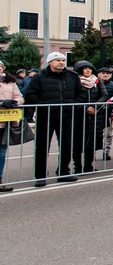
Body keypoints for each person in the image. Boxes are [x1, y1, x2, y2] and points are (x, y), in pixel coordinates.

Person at [26, 52, 86, 186]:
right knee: (42, 147)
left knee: (66, 145)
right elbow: (30, 94)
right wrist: (42, 106)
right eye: (58, 60)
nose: (61, 62)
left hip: (66, 116)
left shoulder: (72, 77)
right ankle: (40, 175)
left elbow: (81, 93)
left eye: (63, 60)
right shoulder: (39, 77)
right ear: (50, 63)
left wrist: (73, 106)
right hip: (45, 117)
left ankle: (63, 172)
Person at [72, 60, 109, 173]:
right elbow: (72, 97)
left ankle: (88, 165)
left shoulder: (97, 82)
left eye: (90, 68)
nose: (88, 70)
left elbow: (104, 95)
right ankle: (77, 165)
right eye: (85, 68)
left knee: (91, 141)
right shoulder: (75, 81)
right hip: (79, 115)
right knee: (77, 141)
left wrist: (94, 106)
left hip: (94, 116)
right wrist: (85, 107)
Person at [0, 60, 25, 192]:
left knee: (1, 153)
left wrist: (15, 102)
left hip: (5, 122)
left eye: (0, 66)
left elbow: (20, 97)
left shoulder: (10, 81)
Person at [97, 67, 113, 161]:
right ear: (98, 74)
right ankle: (91, 153)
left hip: (109, 113)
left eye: (107, 73)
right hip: (96, 112)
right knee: (94, 134)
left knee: (108, 133)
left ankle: (106, 152)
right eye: (103, 73)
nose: (105, 75)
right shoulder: (94, 85)